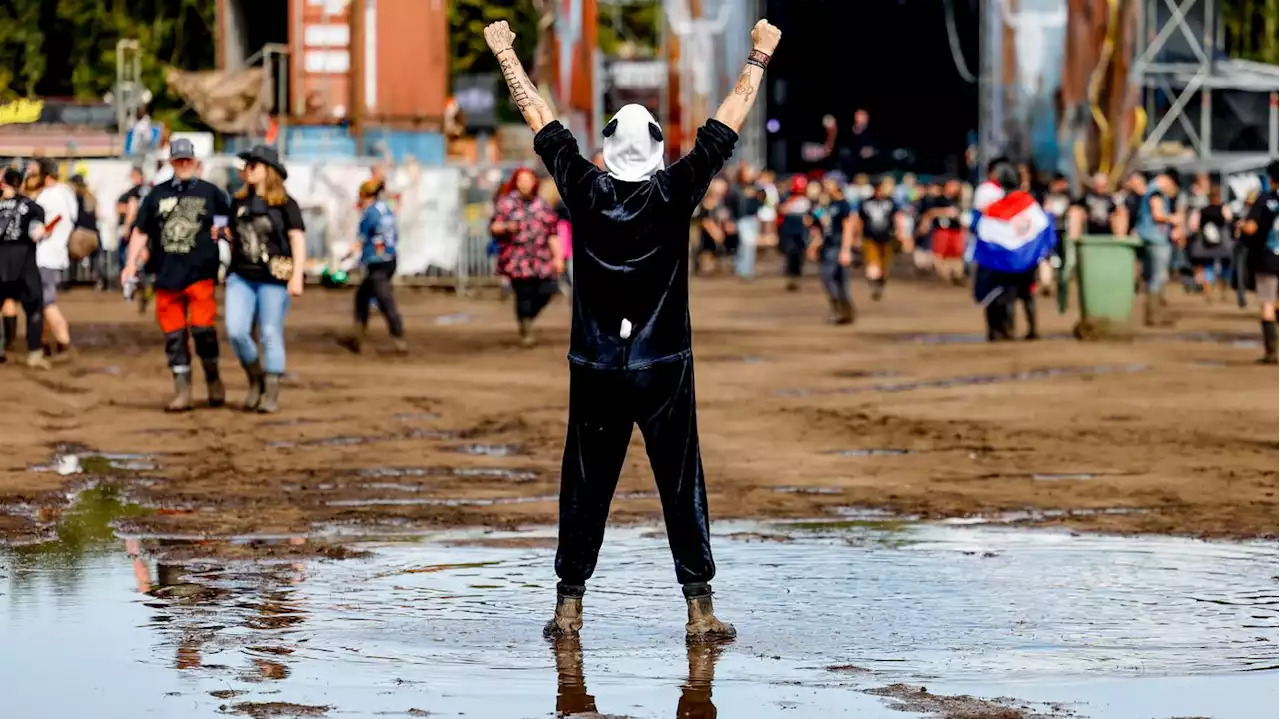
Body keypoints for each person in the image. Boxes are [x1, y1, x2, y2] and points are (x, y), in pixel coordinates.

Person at [484, 16, 779, 642]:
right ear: (655, 152)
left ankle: (569, 608)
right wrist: (758, 56)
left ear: (609, 146)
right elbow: (724, 128)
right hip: (663, 364)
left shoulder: (583, 188)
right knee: (681, 482)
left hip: (594, 365)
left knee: (583, 483)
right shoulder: (674, 192)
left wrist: (506, 53)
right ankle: (699, 611)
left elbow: (539, 117)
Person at [121, 139, 232, 412]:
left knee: (203, 330)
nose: (183, 164)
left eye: (188, 160)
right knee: (173, 335)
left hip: (201, 273)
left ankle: (213, 380)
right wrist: (130, 264)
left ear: (195, 162)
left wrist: (229, 250)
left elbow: (228, 226)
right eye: (178, 160)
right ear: (171, 163)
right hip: (166, 274)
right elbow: (141, 231)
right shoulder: (156, 195)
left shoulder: (212, 193)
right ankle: (183, 392)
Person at [224, 145, 307, 413]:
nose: (248, 169)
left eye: (254, 165)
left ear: (268, 171)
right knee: (236, 331)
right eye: (247, 165)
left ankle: (271, 392)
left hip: (275, 277)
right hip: (241, 275)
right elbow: (232, 234)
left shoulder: (286, 204)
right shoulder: (237, 201)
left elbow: (297, 239)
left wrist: (297, 276)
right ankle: (255, 378)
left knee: (270, 332)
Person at [972, 162, 1056, 340]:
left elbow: (984, 233)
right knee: (1027, 295)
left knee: (1007, 294)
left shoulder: (994, 209)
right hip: (1027, 259)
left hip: (1004, 262)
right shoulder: (1028, 202)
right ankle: (1032, 329)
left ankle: (1007, 330)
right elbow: (1043, 226)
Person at [490, 167, 563, 347]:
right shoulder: (506, 203)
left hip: (540, 258)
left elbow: (552, 232)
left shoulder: (542, 204)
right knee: (523, 294)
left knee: (548, 290)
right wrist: (507, 227)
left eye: (528, 179)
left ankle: (528, 316)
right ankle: (526, 327)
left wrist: (558, 257)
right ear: (515, 182)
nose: (525, 184)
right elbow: (494, 227)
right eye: (521, 180)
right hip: (517, 258)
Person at [339, 179, 407, 355]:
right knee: (362, 297)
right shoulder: (387, 210)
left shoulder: (370, 214)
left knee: (385, 300)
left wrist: (344, 258)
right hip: (390, 259)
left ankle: (398, 337)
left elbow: (361, 240)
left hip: (376, 262)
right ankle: (358, 336)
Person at [26, 158, 77, 361]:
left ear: (45, 177)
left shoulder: (48, 198)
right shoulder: (65, 192)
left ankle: (63, 341)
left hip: (45, 254)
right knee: (43, 301)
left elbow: (42, 230)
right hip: (56, 253)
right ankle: (44, 342)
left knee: (46, 301)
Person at [0, 168, 49, 369]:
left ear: (3, 183)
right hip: (24, 261)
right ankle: (34, 353)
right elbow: (36, 233)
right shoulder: (32, 207)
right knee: (34, 305)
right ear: (20, 183)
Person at [1240, 160, 1280, 363]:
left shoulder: (1265, 199)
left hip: (1267, 258)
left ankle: (1271, 353)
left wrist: (1241, 225)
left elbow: (1251, 228)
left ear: (1271, 179)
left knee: (1267, 303)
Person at [1133, 167, 1180, 326]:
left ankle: (1156, 312)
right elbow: (1157, 214)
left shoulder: (1150, 190)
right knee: (1158, 276)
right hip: (1156, 238)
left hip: (1148, 237)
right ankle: (1153, 315)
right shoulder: (1156, 193)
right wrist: (1173, 219)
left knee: (1153, 276)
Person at [812, 175, 855, 323]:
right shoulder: (825, 205)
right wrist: (814, 245)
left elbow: (848, 227)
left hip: (838, 246)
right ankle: (839, 309)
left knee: (839, 280)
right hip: (827, 246)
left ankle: (844, 311)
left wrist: (846, 250)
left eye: (828, 183)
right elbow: (821, 227)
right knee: (828, 279)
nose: (825, 185)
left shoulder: (844, 205)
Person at [854, 176, 903, 302]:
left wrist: (899, 233)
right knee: (872, 262)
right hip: (869, 237)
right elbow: (859, 221)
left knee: (884, 265)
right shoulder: (866, 203)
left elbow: (897, 218)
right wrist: (858, 237)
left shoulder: (891, 202)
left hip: (887, 237)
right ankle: (874, 285)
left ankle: (880, 283)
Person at [1187, 184, 1233, 300]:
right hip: (1223, 243)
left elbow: (1193, 226)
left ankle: (1208, 291)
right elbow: (1229, 221)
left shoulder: (1202, 211)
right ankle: (1224, 290)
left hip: (1205, 243)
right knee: (1225, 267)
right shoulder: (1224, 208)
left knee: (1208, 266)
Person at [729, 164, 762, 279]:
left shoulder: (756, 187)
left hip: (752, 218)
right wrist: (731, 220)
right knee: (744, 243)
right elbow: (731, 205)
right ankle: (741, 269)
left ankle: (748, 270)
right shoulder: (735, 188)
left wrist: (757, 196)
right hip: (741, 219)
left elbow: (762, 200)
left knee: (750, 245)